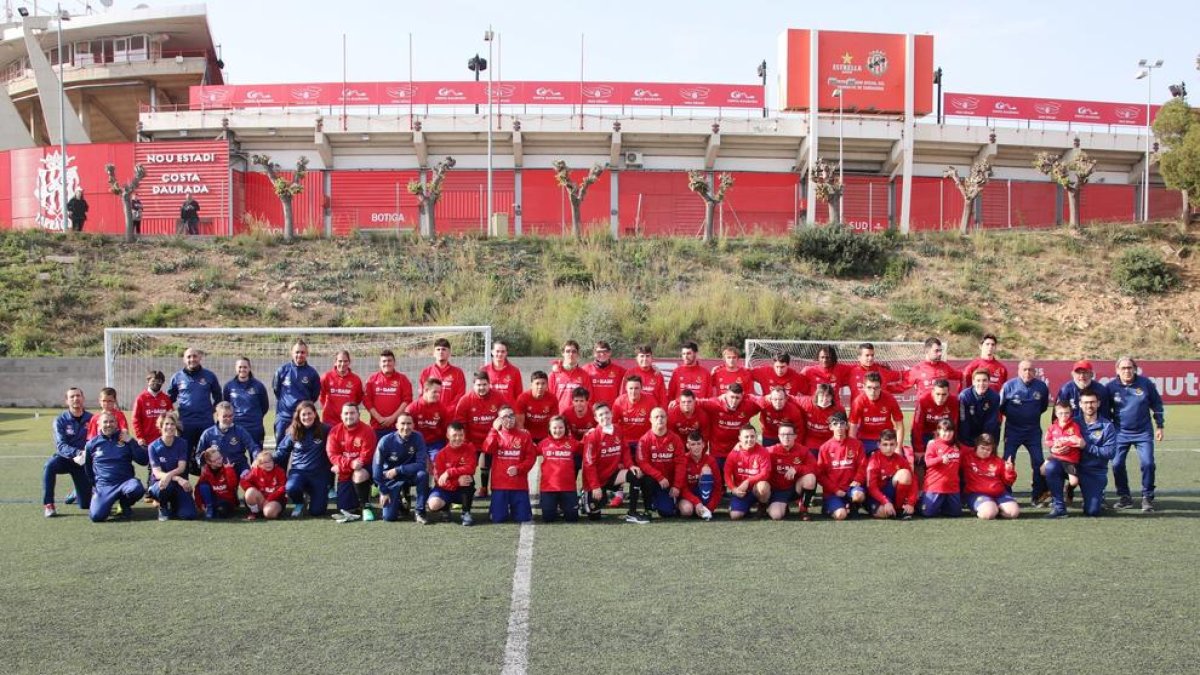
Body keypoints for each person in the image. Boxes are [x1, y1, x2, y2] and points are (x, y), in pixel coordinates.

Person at [1044, 390, 1116, 518]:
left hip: (1093, 471)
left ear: (1098, 403)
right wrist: (1054, 449)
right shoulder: (1072, 422)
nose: (1089, 405)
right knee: (1051, 466)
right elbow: (1056, 438)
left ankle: (1087, 495)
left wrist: (1086, 446)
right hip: (1072, 465)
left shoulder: (1107, 426)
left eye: (1092, 402)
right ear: (1080, 404)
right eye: (1086, 402)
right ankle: (1059, 507)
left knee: (1092, 511)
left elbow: (1110, 453)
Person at [1106, 357, 1165, 512]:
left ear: (1135, 369)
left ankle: (1147, 497)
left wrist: (1160, 425)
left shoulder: (1146, 384)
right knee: (1117, 464)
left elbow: (1157, 404)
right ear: (1117, 370)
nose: (1127, 371)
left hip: (1143, 432)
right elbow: (1105, 410)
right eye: (1123, 368)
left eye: (1130, 367)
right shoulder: (1110, 387)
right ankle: (1125, 497)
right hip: (1120, 433)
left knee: (1148, 464)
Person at [581, 402, 644, 523]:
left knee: (635, 475)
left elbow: (625, 450)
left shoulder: (618, 429)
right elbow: (589, 465)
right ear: (596, 418)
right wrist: (595, 486)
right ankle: (585, 496)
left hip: (612, 475)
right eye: (601, 415)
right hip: (596, 480)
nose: (604, 416)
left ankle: (632, 513)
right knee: (594, 516)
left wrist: (631, 465)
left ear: (611, 414)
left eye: (607, 413)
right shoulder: (592, 436)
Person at [999, 360, 1051, 507]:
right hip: (1013, 431)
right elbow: (1001, 407)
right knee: (1008, 462)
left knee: (1038, 462)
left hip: (1033, 431)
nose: (1027, 372)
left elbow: (1043, 407)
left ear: (1035, 372)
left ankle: (1037, 496)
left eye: (1030, 370)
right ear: (1018, 370)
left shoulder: (1041, 387)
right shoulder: (1008, 386)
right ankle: (1006, 494)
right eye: (1024, 369)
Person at [83, 411, 148, 522]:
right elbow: (88, 468)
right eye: (105, 422)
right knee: (96, 517)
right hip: (105, 485)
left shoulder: (125, 439)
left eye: (111, 421)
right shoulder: (91, 444)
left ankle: (124, 503)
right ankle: (105, 502)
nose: (108, 424)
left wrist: (131, 441)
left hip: (125, 482)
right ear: (99, 424)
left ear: (116, 423)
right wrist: (96, 485)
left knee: (137, 489)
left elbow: (144, 460)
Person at [273, 400, 331, 518]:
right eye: (303, 414)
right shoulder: (293, 431)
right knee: (291, 488)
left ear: (315, 414)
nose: (307, 417)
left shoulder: (325, 429)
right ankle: (299, 502)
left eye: (309, 413)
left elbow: (336, 445)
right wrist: (264, 460)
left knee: (317, 512)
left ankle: (312, 492)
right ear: (298, 416)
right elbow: (281, 451)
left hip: (319, 474)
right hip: (299, 472)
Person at [42, 387, 93, 517]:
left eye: (78, 396)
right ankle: (49, 505)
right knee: (49, 465)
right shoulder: (60, 420)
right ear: (67, 401)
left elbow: (96, 440)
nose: (76, 399)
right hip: (65, 459)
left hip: (82, 462)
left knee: (85, 504)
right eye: (72, 397)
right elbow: (61, 445)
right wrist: (77, 452)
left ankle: (76, 493)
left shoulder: (92, 419)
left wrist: (86, 454)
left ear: (83, 398)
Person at [481, 405, 537, 524]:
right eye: (505, 416)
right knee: (498, 519)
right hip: (500, 486)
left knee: (524, 518)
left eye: (511, 415)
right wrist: (493, 430)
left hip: (519, 485)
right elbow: (487, 449)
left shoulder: (525, 435)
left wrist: (518, 468)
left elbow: (531, 458)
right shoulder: (496, 434)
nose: (509, 419)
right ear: (499, 420)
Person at [454, 370, 506, 497]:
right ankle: (464, 492)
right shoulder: (465, 400)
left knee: (493, 464)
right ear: (473, 385)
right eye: (478, 385)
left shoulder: (498, 397)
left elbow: (505, 416)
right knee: (468, 466)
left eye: (484, 384)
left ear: (489, 384)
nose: (481, 388)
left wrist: (500, 436)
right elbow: (460, 424)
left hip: (492, 438)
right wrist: (465, 444)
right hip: (472, 440)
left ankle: (487, 488)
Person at [372, 413, 430, 524]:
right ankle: (400, 500)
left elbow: (421, 464)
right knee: (389, 517)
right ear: (396, 425)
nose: (406, 427)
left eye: (409, 423)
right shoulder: (385, 441)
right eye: (402, 423)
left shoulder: (418, 437)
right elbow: (376, 468)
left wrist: (398, 470)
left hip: (410, 475)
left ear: (413, 425)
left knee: (423, 475)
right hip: (392, 478)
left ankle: (420, 512)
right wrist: (383, 491)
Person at [167, 347, 223, 460]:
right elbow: (169, 400)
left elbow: (218, 397)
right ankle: (184, 472)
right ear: (184, 359)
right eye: (189, 357)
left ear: (200, 358)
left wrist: (211, 410)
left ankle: (205, 472)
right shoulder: (177, 377)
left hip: (205, 423)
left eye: (195, 356)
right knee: (184, 456)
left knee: (208, 456)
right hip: (185, 424)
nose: (192, 359)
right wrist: (173, 417)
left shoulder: (210, 376)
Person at [327, 403, 378, 523]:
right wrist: (349, 464)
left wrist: (342, 466)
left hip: (363, 469)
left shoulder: (367, 431)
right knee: (344, 508)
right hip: (345, 472)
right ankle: (358, 501)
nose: (349, 416)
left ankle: (365, 506)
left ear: (358, 414)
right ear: (341, 416)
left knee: (358, 474)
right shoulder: (334, 432)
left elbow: (365, 458)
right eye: (346, 413)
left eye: (352, 413)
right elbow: (333, 455)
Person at [698, 383, 762, 472]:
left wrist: (750, 396)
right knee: (716, 477)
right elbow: (694, 402)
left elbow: (767, 401)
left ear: (742, 397)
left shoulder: (748, 406)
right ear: (726, 394)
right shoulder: (714, 404)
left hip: (739, 451)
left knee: (739, 478)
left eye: (737, 398)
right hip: (718, 453)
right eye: (732, 397)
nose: (734, 400)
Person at [635, 408, 686, 519]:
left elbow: (681, 464)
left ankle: (665, 501)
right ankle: (649, 504)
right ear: (650, 420)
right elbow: (642, 463)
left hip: (669, 483)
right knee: (646, 479)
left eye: (662, 416)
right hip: (655, 481)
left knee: (667, 512)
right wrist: (659, 477)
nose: (660, 419)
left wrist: (676, 485)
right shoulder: (644, 440)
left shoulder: (675, 439)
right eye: (656, 417)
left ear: (667, 419)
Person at [815, 412, 867, 521]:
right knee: (840, 515)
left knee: (858, 495)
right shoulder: (824, 448)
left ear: (847, 426)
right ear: (831, 427)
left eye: (842, 423)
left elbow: (863, 466)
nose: (839, 426)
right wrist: (835, 490)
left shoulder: (857, 445)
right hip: (833, 492)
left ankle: (852, 505)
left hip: (851, 488)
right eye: (835, 424)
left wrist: (857, 480)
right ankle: (829, 508)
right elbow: (820, 475)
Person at [146, 412, 197, 521]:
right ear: (161, 426)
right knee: (164, 485)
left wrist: (173, 477)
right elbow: (157, 473)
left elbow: (181, 468)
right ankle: (162, 506)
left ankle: (175, 504)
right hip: (161, 483)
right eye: (166, 424)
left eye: (172, 424)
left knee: (188, 515)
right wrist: (177, 478)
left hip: (178, 485)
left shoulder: (182, 443)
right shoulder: (153, 447)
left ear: (176, 426)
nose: (169, 427)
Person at [426, 422, 478, 525]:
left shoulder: (470, 448)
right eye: (454, 435)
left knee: (467, 477)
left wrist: (449, 472)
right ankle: (445, 509)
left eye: (461, 435)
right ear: (448, 435)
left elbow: (471, 468)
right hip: (445, 489)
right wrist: (456, 482)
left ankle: (466, 513)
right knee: (433, 505)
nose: (458, 438)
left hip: (462, 490)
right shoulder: (441, 454)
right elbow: (439, 480)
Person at [272, 340, 321, 447]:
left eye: (302, 352)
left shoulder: (312, 373)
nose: (299, 355)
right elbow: (276, 390)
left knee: (302, 449)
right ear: (292, 353)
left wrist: (302, 409)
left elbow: (314, 395)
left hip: (303, 419)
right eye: (297, 352)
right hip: (284, 417)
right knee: (281, 449)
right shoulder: (282, 370)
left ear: (307, 353)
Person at [766, 422, 817, 521]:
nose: (786, 437)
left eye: (789, 434)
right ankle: (780, 506)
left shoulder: (803, 450)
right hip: (778, 491)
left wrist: (797, 468)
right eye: (783, 434)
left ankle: (804, 508)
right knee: (776, 516)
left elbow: (815, 468)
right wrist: (740, 446)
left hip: (795, 489)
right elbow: (756, 453)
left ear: (795, 436)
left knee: (810, 478)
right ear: (778, 436)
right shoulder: (770, 451)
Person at [962, 433, 1019, 520]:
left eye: (988, 449)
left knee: (1013, 513)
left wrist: (1009, 471)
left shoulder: (998, 461)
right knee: (988, 514)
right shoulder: (967, 458)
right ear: (976, 446)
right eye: (982, 448)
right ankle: (986, 508)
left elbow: (1008, 482)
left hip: (999, 494)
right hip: (977, 494)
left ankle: (995, 507)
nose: (985, 451)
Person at [196, 401, 259, 478]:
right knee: (205, 484)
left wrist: (257, 458)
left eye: (230, 416)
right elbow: (199, 454)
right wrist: (204, 465)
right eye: (225, 416)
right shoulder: (208, 433)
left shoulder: (240, 431)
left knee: (248, 480)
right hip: (217, 470)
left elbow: (253, 447)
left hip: (239, 467)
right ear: (217, 416)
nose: (228, 419)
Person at [537, 417, 581, 523]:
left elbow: (586, 447)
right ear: (549, 429)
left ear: (565, 428)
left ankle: (579, 499)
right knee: (548, 518)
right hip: (548, 488)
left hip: (568, 487)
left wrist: (590, 434)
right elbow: (528, 452)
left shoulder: (572, 443)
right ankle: (554, 506)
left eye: (561, 427)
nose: (558, 430)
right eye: (554, 428)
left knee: (572, 519)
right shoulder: (543, 443)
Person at [723, 426, 773, 521]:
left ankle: (762, 507)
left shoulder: (763, 451)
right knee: (735, 516)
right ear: (740, 438)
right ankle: (744, 508)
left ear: (756, 437)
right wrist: (733, 489)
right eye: (746, 437)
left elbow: (765, 473)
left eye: (752, 436)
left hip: (756, 490)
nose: (749, 439)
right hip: (742, 491)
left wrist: (748, 481)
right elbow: (727, 473)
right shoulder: (734, 454)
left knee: (763, 486)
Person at [848, 372, 904, 455]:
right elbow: (853, 428)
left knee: (900, 460)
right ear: (864, 387)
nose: (873, 391)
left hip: (886, 438)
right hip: (865, 439)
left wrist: (898, 448)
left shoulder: (890, 399)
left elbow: (899, 426)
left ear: (881, 387)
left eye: (876, 388)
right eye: (869, 387)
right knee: (856, 459)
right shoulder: (858, 401)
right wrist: (853, 448)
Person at [865, 429, 916, 520]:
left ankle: (899, 508)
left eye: (892, 444)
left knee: (905, 474)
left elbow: (913, 481)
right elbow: (872, 488)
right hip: (876, 495)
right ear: (879, 445)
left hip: (892, 493)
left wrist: (911, 503)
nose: (889, 448)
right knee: (882, 513)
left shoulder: (900, 459)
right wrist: (885, 502)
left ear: (896, 444)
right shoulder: (874, 460)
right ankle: (883, 507)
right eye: (885, 444)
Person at [363, 349, 413, 441]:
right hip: (377, 427)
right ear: (380, 363)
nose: (387, 363)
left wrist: (393, 418)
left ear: (394, 362)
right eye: (384, 361)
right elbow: (367, 401)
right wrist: (379, 418)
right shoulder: (372, 379)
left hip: (397, 427)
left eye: (389, 360)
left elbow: (407, 400)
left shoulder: (403, 379)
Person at [223, 357, 270, 448]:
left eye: (245, 367)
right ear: (236, 368)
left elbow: (265, 406)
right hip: (236, 426)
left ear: (249, 368)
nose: (242, 369)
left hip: (254, 427)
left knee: (257, 454)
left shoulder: (259, 386)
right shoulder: (229, 386)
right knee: (235, 453)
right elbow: (226, 406)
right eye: (240, 367)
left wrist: (254, 417)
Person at [1043, 399, 1083, 504]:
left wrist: (1064, 443)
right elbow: (1047, 441)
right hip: (1056, 457)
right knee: (1042, 470)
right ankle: (1048, 491)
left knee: (1074, 482)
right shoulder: (1052, 427)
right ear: (1056, 413)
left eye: (1066, 413)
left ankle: (1068, 489)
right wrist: (1053, 445)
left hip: (1070, 459)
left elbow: (1077, 440)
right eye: (1061, 413)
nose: (1064, 415)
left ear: (1071, 413)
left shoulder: (1074, 426)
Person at [910, 379, 959, 467]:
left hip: (944, 433)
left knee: (947, 460)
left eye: (944, 394)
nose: (940, 398)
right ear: (933, 392)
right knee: (920, 461)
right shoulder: (923, 400)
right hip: (925, 434)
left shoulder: (954, 401)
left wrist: (953, 442)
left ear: (948, 393)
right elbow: (917, 426)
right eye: (938, 394)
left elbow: (953, 424)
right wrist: (918, 449)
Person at [921, 420, 963, 518]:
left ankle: (943, 504)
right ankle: (921, 500)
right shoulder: (933, 444)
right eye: (945, 431)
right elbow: (927, 462)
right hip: (935, 486)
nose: (947, 434)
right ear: (938, 431)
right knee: (928, 513)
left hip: (952, 488)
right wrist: (940, 459)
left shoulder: (958, 446)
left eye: (950, 431)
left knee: (955, 513)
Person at [406, 378, 452, 463]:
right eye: (435, 392)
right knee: (418, 465)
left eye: (439, 392)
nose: (438, 395)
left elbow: (447, 429)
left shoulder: (442, 408)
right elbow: (406, 431)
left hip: (435, 444)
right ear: (426, 390)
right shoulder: (412, 408)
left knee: (438, 460)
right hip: (417, 443)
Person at [678, 431, 721, 520]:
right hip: (689, 495)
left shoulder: (711, 460)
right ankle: (695, 508)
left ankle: (703, 507)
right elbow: (682, 488)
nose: (696, 447)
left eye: (698, 444)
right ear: (687, 446)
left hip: (705, 495)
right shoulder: (683, 460)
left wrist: (710, 507)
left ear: (703, 445)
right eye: (693, 444)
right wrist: (696, 502)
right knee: (687, 511)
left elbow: (718, 487)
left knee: (706, 470)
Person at [319, 350, 364, 427]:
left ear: (349, 362)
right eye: (340, 361)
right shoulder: (326, 377)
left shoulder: (356, 379)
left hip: (348, 421)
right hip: (329, 421)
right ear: (335, 362)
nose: (342, 364)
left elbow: (358, 399)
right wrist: (330, 409)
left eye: (345, 361)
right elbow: (321, 396)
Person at [957, 369, 1001, 448]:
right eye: (978, 380)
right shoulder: (964, 396)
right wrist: (967, 441)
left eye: (984, 380)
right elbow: (963, 420)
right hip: (969, 431)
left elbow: (991, 421)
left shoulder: (994, 397)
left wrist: (984, 439)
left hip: (986, 433)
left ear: (989, 382)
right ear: (973, 382)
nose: (981, 384)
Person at [419, 338, 467, 408]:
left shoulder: (458, 373)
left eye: (444, 349)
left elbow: (460, 395)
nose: (441, 352)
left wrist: (447, 410)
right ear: (434, 353)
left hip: (451, 413)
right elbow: (423, 395)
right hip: (431, 412)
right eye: (438, 349)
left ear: (449, 353)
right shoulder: (426, 372)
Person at [193, 446, 239, 519]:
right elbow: (198, 489)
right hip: (213, 499)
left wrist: (229, 470)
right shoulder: (206, 471)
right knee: (203, 485)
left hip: (226, 500)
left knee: (222, 511)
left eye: (220, 457)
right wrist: (199, 504)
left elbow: (233, 485)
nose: (220, 461)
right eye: (216, 459)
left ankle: (213, 512)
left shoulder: (227, 468)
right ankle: (209, 508)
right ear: (209, 462)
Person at [796, 383, 843, 454]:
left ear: (832, 397)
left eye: (828, 396)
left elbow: (843, 430)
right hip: (811, 441)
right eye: (822, 395)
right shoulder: (806, 402)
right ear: (817, 396)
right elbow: (790, 398)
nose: (824, 399)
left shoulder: (838, 409)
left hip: (829, 442)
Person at [241, 450, 287, 521]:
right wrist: (255, 489)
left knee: (269, 513)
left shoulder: (280, 471)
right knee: (250, 492)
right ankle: (254, 512)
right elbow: (243, 481)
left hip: (275, 500)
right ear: (259, 465)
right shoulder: (255, 471)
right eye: (265, 462)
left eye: (270, 461)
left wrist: (269, 499)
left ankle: (266, 512)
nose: (268, 464)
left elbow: (282, 488)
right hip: (261, 499)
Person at [548, 341, 593, 412]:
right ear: (563, 353)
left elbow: (589, 398)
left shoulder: (584, 375)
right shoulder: (554, 374)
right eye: (568, 351)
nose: (571, 354)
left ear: (578, 354)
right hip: (559, 415)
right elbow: (548, 398)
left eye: (574, 351)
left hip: (577, 415)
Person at [132, 370, 172, 448]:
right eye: (153, 381)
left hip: (163, 439)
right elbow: (136, 419)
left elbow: (172, 418)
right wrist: (140, 437)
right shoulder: (141, 398)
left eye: (159, 381)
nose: (156, 383)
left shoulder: (166, 399)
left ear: (162, 383)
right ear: (148, 381)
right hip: (146, 441)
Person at [515, 371, 556, 443]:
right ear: (531, 385)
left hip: (546, 436)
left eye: (543, 383)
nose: (540, 387)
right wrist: (525, 440)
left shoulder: (553, 398)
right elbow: (520, 423)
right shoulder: (523, 398)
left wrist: (551, 439)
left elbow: (554, 422)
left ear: (547, 385)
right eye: (537, 383)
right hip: (528, 435)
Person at [581, 340, 624, 408]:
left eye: (605, 351)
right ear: (594, 353)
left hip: (612, 411)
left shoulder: (620, 371)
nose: (602, 354)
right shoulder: (585, 370)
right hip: (591, 410)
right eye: (599, 352)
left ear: (610, 352)